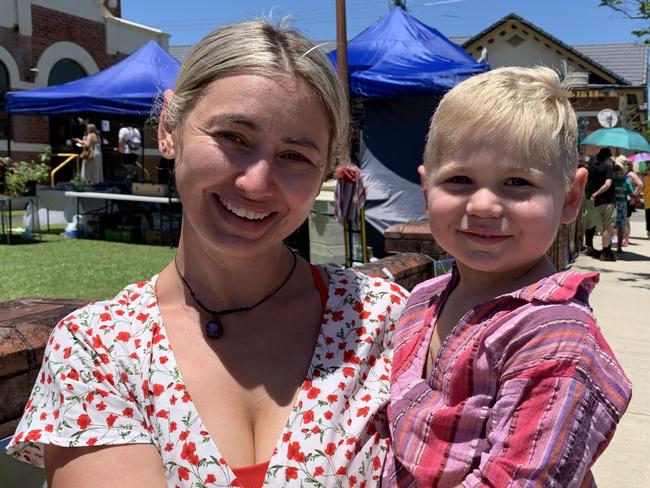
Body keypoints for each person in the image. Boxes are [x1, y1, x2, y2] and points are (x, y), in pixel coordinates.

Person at [7, 20, 408, 487]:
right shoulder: (97, 348)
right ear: (169, 128)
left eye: (295, 156)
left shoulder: (384, 322)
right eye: (233, 138)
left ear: (325, 169)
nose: (256, 182)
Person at [383, 67, 632, 487]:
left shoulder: (556, 336)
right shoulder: (422, 298)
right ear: (427, 191)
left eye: (517, 182)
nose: (483, 205)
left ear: (570, 197)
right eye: (460, 180)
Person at [587, 147, 617, 261]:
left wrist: (593, 195)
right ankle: (605, 252)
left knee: (599, 226)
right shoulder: (608, 168)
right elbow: (608, 184)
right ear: (607, 157)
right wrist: (597, 193)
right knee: (607, 227)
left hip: (596, 203)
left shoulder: (592, 168)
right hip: (607, 200)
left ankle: (604, 250)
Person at [612, 161, 634, 253]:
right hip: (613, 205)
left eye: (619, 172)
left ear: (622, 172)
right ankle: (612, 244)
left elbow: (631, 193)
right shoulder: (612, 181)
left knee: (621, 226)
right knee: (612, 225)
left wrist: (634, 197)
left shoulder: (627, 181)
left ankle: (619, 247)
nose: (617, 174)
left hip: (623, 205)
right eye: (615, 172)